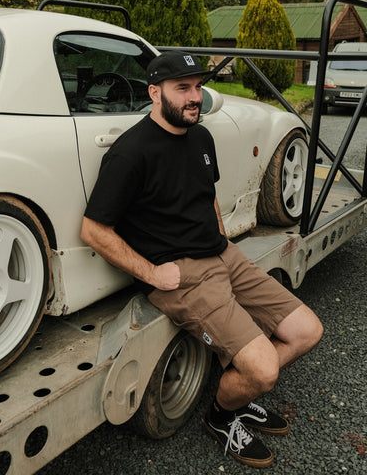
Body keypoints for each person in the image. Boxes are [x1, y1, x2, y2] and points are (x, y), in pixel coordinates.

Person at [80, 50, 323, 468]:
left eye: (197, 87)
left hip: (222, 254)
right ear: (155, 93)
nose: (194, 97)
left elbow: (205, 195)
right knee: (264, 371)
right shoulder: (130, 153)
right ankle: (222, 415)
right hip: (182, 274)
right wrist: (152, 273)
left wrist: (223, 240)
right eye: (182, 88)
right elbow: (93, 230)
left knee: (307, 331)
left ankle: (240, 387)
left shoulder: (200, 136)